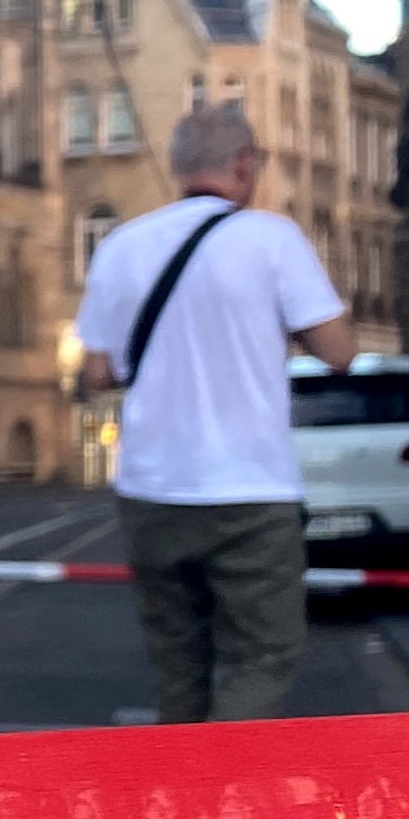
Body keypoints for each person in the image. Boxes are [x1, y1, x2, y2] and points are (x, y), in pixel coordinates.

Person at [75, 102, 354, 724]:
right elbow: (338, 353)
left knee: (178, 667)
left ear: (177, 168)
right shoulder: (272, 239)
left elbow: (97, 373)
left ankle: (184, 800)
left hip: (152, 490)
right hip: (249, 492)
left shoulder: (121, 246)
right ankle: (226, 807)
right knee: (261, 656)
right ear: (244, 165)